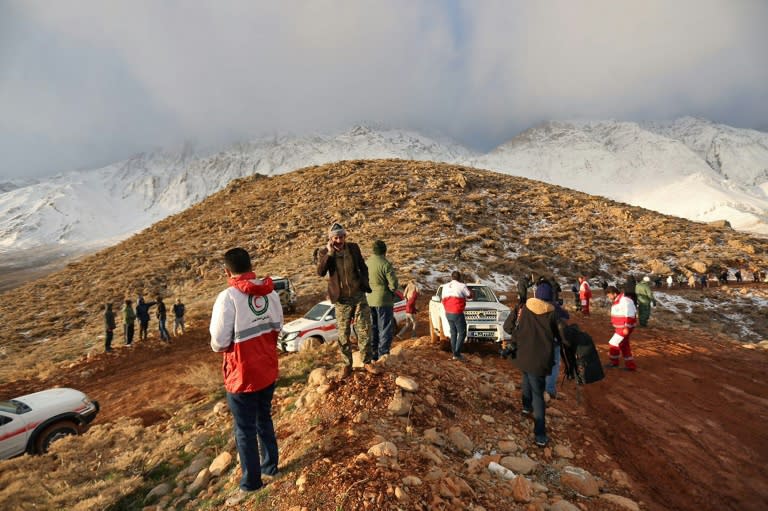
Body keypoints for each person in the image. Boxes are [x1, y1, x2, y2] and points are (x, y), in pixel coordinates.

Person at [210, 247, 283, 505]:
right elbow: (278, 326)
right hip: (267, 367)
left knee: (244, 429)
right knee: (264, 417)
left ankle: (251, 483)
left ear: (227, 271)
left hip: (241, 374)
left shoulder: (228, 297)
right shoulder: (270, 291)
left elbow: (218, 341)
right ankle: (270, 466)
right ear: (251, 266)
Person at [504, 280, 565, 447]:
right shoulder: (552, 313)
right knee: (538, 395)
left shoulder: (526, 310)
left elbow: (517, 331)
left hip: (524, 355)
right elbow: (560, 336)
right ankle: (540, 434)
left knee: (526, 378)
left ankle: (525, 406)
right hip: (540, 358)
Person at [316, 222, 375, 376]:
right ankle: (347, 364)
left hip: (358, 295)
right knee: (343, 334)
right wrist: (329, 253)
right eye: (336, 237)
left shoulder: (353, 248)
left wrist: (364, 283)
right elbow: (321, 272)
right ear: (330, 239)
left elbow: (363, 267)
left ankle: (367, 362)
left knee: (364, 329)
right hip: (341, 300)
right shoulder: (324, 252)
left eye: (342, 237)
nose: (340, 241)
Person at [535, 281, 569, 400]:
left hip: (538, 340)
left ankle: (537, 387)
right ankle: (549, 389)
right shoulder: (554, 306)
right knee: (554, 364)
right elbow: (566, 317)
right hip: (553, 340)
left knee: (538, 363)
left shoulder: (533, 307)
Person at [366, 240, 399, 362]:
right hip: (384, 300)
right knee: (384, 327)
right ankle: (383, 354)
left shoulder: (367, 263)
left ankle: (373, 353)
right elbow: (393, 284)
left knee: (373, 327)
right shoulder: (385, 264)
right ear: (384, 251)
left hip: (370, 299)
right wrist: (392, 291)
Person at [441, 270, 473, 361]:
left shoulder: (445, 286)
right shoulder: (462, 286)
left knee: (453, 332)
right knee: (462, 333)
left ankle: (454, 353)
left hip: (448, 312)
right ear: (459, 278)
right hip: (457, 312)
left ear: (451, 277)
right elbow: (470, 295)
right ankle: (457, 353)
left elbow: (443, 299)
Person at [605, 286, 637, 371]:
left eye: (609, 295)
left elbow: (630, 315)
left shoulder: (625, 301)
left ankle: (614, 362)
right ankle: (630, 365)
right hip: (620, 327)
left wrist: (627, 327)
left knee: (613, 343)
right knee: (624, 345)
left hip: (624, 328)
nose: (608, 297)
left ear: (614, 293)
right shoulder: (617, 301)